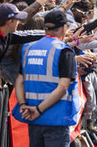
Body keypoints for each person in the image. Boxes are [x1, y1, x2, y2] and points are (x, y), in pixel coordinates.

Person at [12, 10, 79, 147]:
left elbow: (19, 81)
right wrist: (39, 109)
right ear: (64, 28)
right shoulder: (64, 51)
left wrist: (23, 105)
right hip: (55, 118)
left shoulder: (28, 48)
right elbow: (63, 87)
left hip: (33, 117)